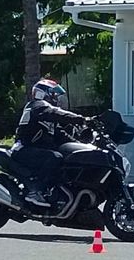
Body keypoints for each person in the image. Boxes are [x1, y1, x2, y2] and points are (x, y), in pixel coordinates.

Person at [11, 78, 89, 207]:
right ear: (42, 93)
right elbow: (56, 113)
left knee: (66, 158)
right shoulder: (36, 106)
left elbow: (63, 137)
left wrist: (83, 148)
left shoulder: (48, 119)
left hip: (36, 151)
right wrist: (81, 119)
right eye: (53, 94)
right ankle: (36, 192)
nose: (56, 98)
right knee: (55, 157)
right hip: (23, 150)